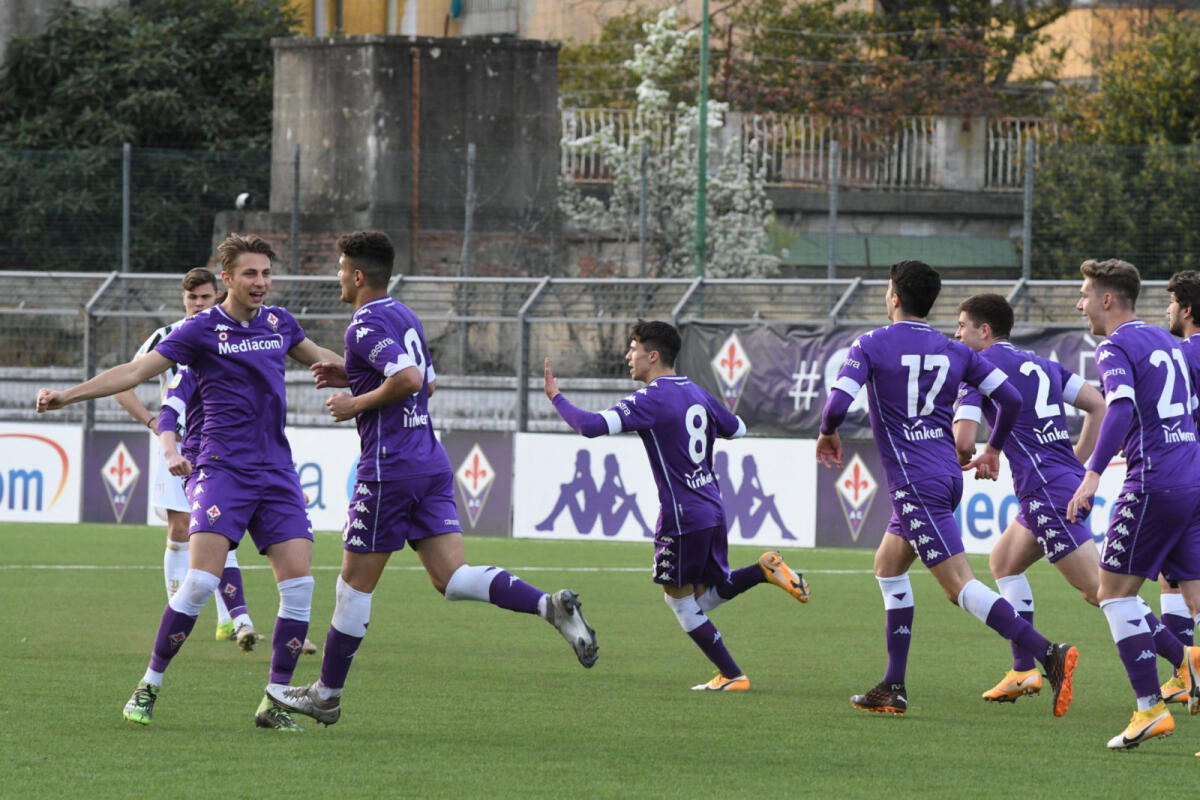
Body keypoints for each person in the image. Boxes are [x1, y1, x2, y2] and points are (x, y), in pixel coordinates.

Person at [265, 231, 598, 727]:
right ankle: (548, 607)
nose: (337, 276)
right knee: (452, 578)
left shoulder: (363, 325)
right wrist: (356, 376)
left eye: (340, 269)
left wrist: (355, 402)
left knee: (353, 588)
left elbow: (410, 380)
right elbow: (428, 383)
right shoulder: (405, 315)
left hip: (389, 469)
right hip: (429, 461)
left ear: (358, 275)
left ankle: (326, 696)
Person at [37, 233, 344, 731]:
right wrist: (67, 396)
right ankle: (149, 684)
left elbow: (323, 359)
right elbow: (136, 371)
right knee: (200, 581)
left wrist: (385, 375)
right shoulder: (200, 330)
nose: (261, 282)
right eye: (250, 273)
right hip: (222, 469)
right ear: (228, 278)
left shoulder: (278, 323)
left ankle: (274, 701)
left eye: (266, 273)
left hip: (276, 472)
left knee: (301, 587)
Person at [816, 259, 1078, 717]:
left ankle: (1048, 653)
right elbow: (1011, 398)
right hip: (943, 476)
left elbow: (837, 404)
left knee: (960, 587)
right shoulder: (955, 350)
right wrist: (993, 448)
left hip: (915, 482)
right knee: (888, 567)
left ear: (895, 297)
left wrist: (826, 432)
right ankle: (893, 685)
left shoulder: (871, 344)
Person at [542, 319, 810, 693]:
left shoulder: (650, 400)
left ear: (653, 356)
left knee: (681, 603)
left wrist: (556, 396)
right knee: (700, 599)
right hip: (712, 508)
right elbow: (737, 428)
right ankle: (763, 570)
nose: (628, 356)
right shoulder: (697, 392)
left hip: (681, 517)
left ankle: (732, 674)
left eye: (633, 349)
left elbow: (589, 426)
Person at [1067, 258, 1200, 749]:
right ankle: (1187, 664)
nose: (1079, 305)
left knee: (1113, 594)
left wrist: (1092, 474)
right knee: (1195, 598)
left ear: (1107, 299)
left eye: (1084, 295)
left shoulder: (1115, 346)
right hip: (1191, 477)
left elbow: (1119, 406)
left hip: (1154, 483)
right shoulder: (1169, 342)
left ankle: (1149, 709)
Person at [952, 293, 1107, 705]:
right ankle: (1023, 670)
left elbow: (963, 443)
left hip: (1046, 490)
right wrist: (1076, 461)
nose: (957, 335)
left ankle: (1182, 659)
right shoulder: (1041, 363)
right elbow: (1098, 406)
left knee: (1102, 592)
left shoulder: (977, 370)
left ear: (984, 331)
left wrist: (961, 454)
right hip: (1058, 482)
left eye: (962, 326)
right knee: (1004, 561)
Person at [113, 268, 257, 647]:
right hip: (177, 447)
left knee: (217, 528)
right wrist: (153, 423)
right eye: (192, 298)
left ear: (217, 295)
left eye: (205, 297)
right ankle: (178, 610)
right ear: (184, 298)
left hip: (219, 447)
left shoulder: (232, 336)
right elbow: (125, 384)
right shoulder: (167, 337)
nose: (199, 304)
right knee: (179, 529)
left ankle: (229, 621)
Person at [1159, 271, 1200, 704]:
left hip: (1186, 472)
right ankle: (1183, 674)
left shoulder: (1179, 355)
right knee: (1174, 577)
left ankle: (1184, 673)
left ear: (1186, 310)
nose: (1167, 310)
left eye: (1171, 303)